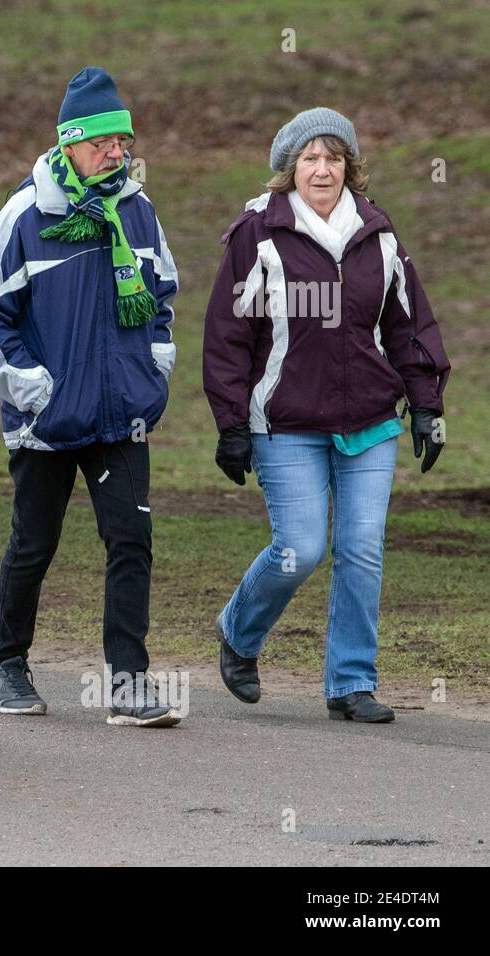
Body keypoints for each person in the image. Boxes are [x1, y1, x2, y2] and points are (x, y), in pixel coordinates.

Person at [203, 107, 451, 722]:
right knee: (301, 549)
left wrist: (425, 406)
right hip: (285, 420)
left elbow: (408, 326)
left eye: (334, 157)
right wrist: (232, 422)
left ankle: (350, 682)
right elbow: (228, 335)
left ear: (349, 168)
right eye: (310, 158)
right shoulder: (257, 234)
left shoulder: (378, 232)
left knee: (362, 549)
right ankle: (238, 630)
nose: (323, 169)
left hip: (369, 419)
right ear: (289, 169)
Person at [0, 67, 182, 727]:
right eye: (103, 143)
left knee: (131, 538)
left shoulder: (138, 210)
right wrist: (36, 390)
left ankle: (129, 684)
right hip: (47, 420)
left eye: (124, 140)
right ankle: (7, 662)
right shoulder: (24, 216)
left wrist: (155, 368)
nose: (118, 152)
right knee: (35, 543)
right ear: (69, 143)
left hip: (122, 415)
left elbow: (164, 297)